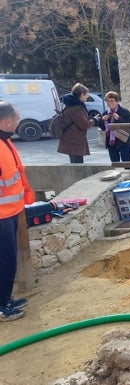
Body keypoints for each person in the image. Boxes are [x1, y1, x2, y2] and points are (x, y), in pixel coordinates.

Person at [0, 102, 35, 322]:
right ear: (7, 121)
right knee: (5, 260)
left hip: (9, 212)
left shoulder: (5, 142)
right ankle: (3, 307)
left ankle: (5, 299)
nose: (18, 123)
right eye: (17, 119)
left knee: (8, 260)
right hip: (2, 215)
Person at [57, 83, 99, 164]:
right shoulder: (76, 108)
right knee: (77, 165)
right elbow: (85, 125)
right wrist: (95, 120)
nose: (88, 96)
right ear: (81, 95)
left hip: (71, 140)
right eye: (86, 94)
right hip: (73, 141)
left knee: (76, 163)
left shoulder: (71, 104)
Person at [97, 91, 130, 167]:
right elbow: (103, 128)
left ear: (117, 102)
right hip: (111, 143)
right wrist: (102, 120)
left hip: (124, 141)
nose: (109, 103)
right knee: (115, 163)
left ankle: (129, 177)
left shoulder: (124, 111)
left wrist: (119, 118)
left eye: (112, 101)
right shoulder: (105, 113)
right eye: (107, 101)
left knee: (126, 162)